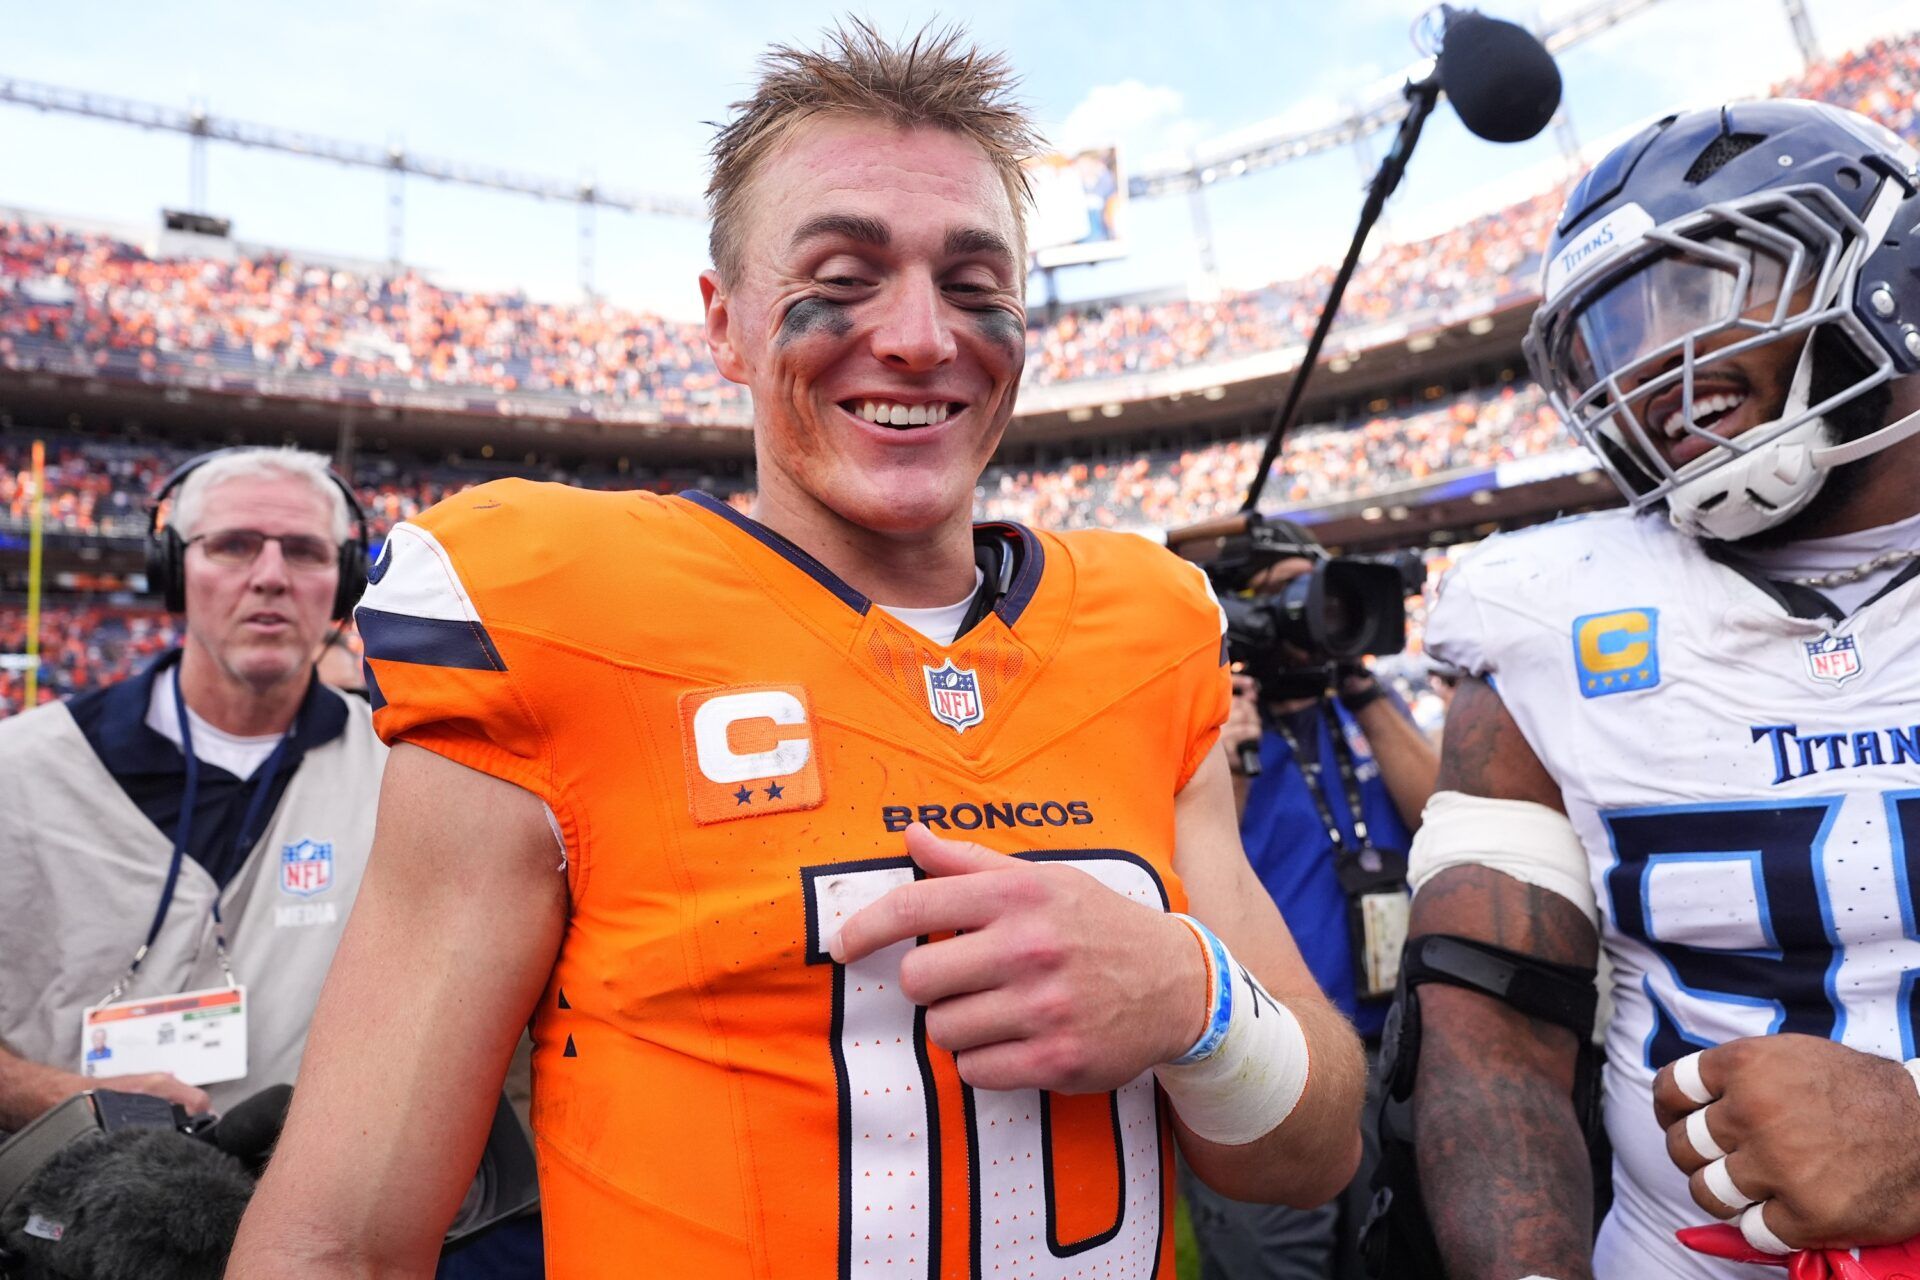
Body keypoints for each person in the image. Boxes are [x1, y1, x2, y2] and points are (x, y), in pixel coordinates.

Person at [230, 20, 1366, 1279]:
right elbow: (342, 1239)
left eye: (977, 284)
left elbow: (1308, 1153)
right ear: (723, 324)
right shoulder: (563, 614)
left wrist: (1194, 1003)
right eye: (846, 269)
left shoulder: (1149, 625)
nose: (923, 337)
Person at [1399, 99, 1920, 1279]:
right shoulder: (1542, 607)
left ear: (1891, 270)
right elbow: (1490, 1020)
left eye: (1701, 290)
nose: (1650, 369)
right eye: (1613, 334)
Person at [0, 447, 384, 1131]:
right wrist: (52, 1097)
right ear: (174, 570)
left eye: (304, 551)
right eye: (233, 546)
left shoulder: (399, 774)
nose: (271, 577)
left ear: (344, 580)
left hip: (307, 1214)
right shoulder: (20, 768)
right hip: (67, 1215)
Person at [1183, 545, 1438, 1280]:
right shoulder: (1212, 725)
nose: (1324, 613)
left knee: (1391, 1253)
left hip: (1390, 1046)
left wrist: (1362, 688)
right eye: (1297, 596)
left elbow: (1438, 818)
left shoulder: (1362, 708)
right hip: (1270, 1052)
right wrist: (1228, 752)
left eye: (1330, 594)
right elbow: (1191, 873)